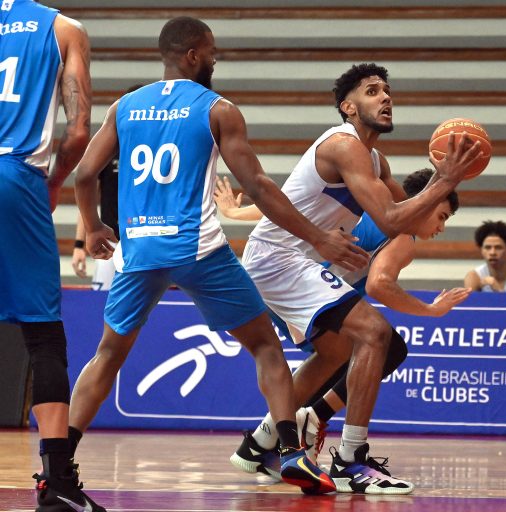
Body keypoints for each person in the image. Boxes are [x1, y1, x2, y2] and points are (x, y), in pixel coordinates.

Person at [67, 16, 370, 496]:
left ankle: (59, 462)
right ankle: (290, 452)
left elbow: (84, 174)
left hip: (139, 250)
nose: (215, 58)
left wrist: (92, 226)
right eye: (211, 51)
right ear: (192, 55)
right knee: (265, 347)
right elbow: (259, 187)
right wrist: (317, 237)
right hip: (198, 250)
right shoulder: (218, 109)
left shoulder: (125, 106)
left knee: (107, 355)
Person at [238, 62, 480, 494]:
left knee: (337, 352)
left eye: (387, 90)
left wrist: (445, 183)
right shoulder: (343, 145)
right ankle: (351, 460)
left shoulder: (374, 160)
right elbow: (390, 218)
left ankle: (261, 443)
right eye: (372, 91)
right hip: (278, 258)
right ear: (348, 107)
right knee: (375, 333)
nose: (385, 97)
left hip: (291, 260)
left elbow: (407, 221)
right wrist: (443, 181)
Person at [217, 169, 470, 477]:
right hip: (304, 289)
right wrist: (430, 310)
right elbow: (379, 285)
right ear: (425, 203)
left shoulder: (367, 205)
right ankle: (313, 423)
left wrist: (234, 213)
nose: (441, 227)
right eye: (441, 216)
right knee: (385, 346)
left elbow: (290, 208)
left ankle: (261, 442)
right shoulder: (404, 237)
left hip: (275, 286)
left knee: (338, 357)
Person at [0, 1, 102, 510]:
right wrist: (54, 181)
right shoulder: (62, 28)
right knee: (43, 332)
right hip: (15, 176)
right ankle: (56, 479)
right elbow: (79, 131)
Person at [72, 84, 143, 291]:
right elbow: (89, 197)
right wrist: (79, 244)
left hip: (144, 241)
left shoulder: (155, 150)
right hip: (110, 243)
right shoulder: (107, 149)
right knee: (102, 304)